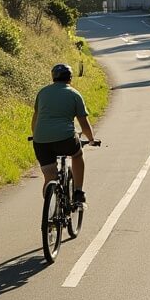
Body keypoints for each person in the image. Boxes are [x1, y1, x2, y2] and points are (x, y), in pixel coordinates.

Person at [31, 63, 96, 206]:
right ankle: (78, 192)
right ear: (70, 78)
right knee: (77, 155)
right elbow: (83, 123)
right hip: (65, 139)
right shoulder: (74, 94)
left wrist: (35, 134)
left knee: (49, 176)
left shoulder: (43, 92)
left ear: (53, 77)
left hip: (41, 142)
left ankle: (50, 210)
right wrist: (91, 139)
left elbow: (36, 118)